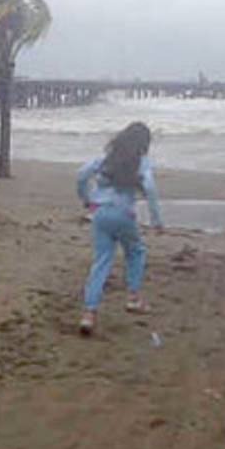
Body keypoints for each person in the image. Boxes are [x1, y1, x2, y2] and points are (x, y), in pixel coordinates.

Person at [75, 121, 163, 335]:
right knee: (136, 251)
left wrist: (85, 197)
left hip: (100, 213)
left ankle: (89, 313)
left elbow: (81, 174)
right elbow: (150, 187)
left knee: (101, 260)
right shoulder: (140, 162)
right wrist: (156, 219)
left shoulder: (106, 160)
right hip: (123, 214)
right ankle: (133, 297)